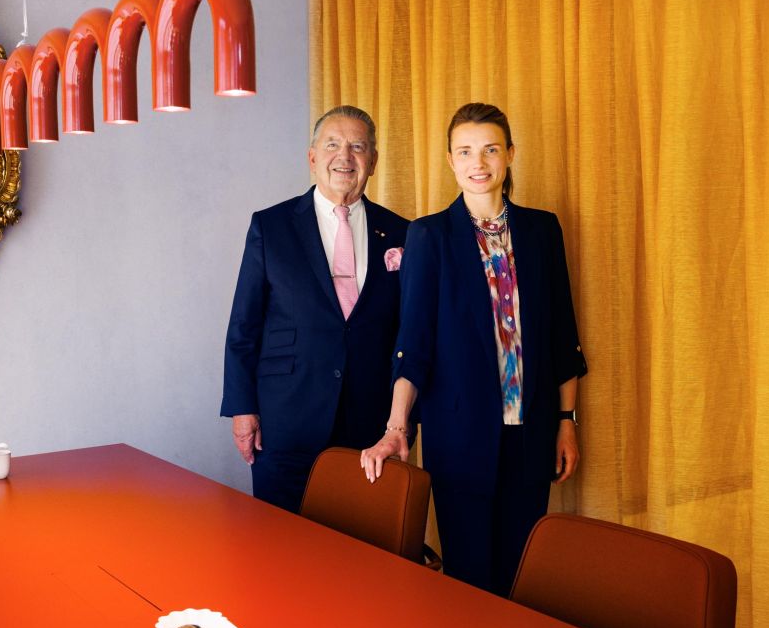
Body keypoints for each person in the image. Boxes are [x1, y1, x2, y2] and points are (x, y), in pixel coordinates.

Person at [360, 102, 587, 595]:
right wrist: (397, 427)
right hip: (459, 437)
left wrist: (567, 423)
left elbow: (562, 335)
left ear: (509, 155)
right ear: (450, 160)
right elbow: (413, 342)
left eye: (489, 150)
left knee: (524, 575)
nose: (478, 163)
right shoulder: (429, 236)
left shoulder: (542, 231)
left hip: (533, 433)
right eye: (465, 152)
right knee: (469, 578)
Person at [221, 105, 410, 513]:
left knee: (362, 552)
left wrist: (404, 420)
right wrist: (242, 408)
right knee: (282, 552)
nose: (345, 157)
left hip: (369, 426)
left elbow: (409, 334)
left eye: (358, 147)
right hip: (284, 422)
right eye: (333, 145)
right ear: (312, 158)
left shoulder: (402, 232)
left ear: (373, 161)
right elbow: (244, 326)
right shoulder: (271, 226)